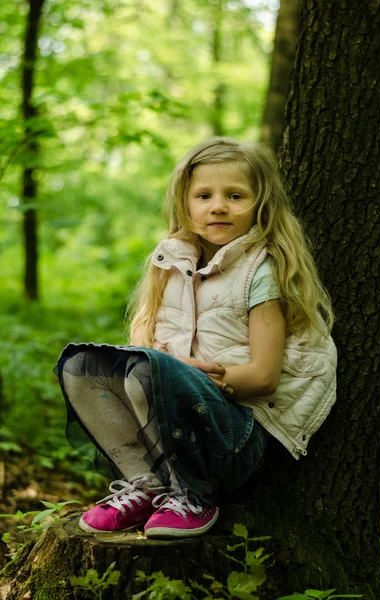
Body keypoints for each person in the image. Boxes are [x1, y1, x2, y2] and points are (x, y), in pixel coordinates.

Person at [55, 136, 337, 539]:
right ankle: (150, 483)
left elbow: (264, 378)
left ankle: (193, 495)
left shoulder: (260, 272)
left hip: (238, 436)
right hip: (171, 431)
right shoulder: (170, 262)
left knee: (152, 369)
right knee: (87, 365)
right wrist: (166, 370)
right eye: (204, 195)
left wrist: (184, 373)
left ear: (261, 205)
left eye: (235, 195)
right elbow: (145, 354)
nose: (218, 205)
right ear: (185, 205)